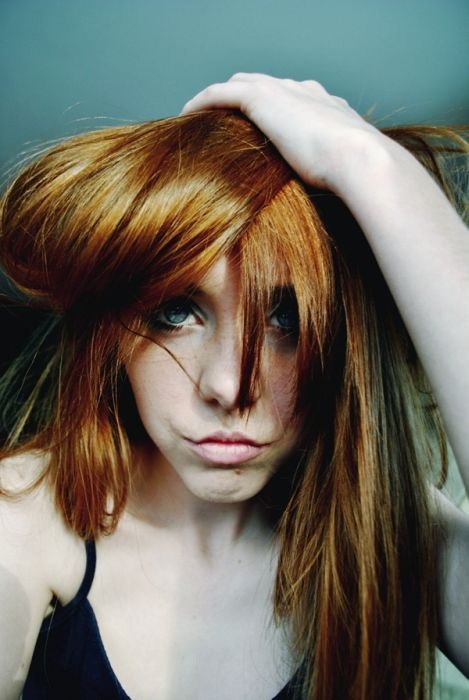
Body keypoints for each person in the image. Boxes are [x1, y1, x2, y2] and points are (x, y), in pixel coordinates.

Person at [0, 73, 468, 699]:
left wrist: (372, 167)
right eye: (175, 311)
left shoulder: (387, 525)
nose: (227, 385)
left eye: (288, 319)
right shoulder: (24, 512)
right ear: (112, 333)